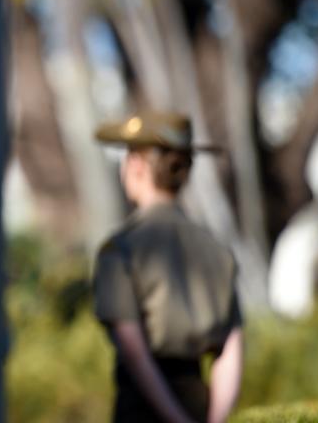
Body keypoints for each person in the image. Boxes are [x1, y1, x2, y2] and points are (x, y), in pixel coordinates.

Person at [92, 111, 244, 423]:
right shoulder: (217, 251)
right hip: (198, 404)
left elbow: (134, 351)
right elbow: (230, 351)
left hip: (143, 408)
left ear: (136, 165)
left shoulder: (120, 249)